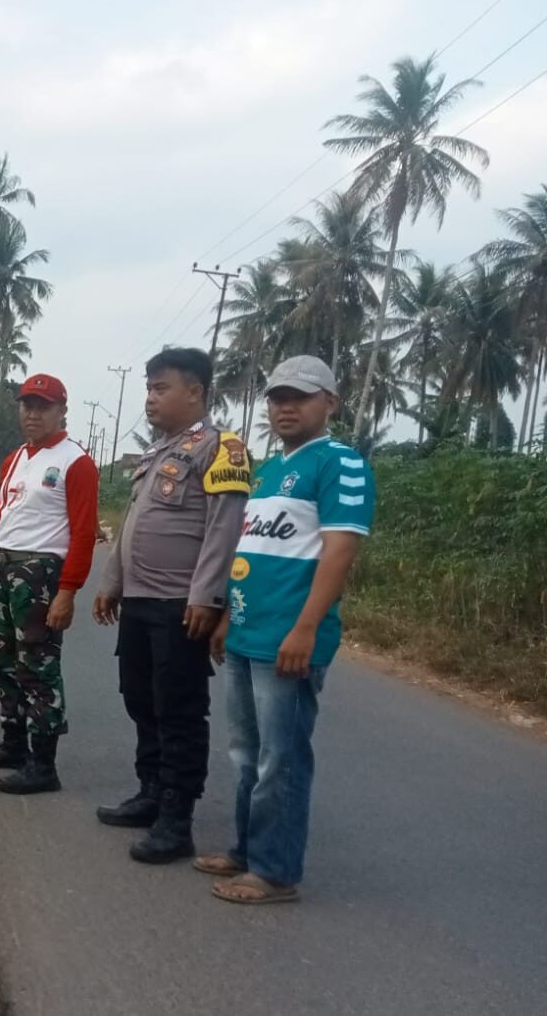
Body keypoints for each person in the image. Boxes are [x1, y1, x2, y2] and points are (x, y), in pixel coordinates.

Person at [199, 355, 374, 904]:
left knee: (283, 757)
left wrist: (305, 628)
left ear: (331, 402)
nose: (285, 406)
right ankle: (248, 850)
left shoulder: (339, 463)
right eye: (276, 397)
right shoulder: (270, 469)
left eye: (300, 396)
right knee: (245, 753)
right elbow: (250, 550)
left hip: (291, 641)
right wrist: (227, 615)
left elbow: (340, 549)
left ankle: (275, 872)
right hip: (248, 634)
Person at [93, 347, 252, 864]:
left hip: (180, 603)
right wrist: (111, 581)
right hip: (140, 601)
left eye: (161, 388)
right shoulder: (155, 452)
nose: (151, 398)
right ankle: (149, 790)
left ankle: (176, 816)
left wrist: (208, 596)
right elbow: (133, 524)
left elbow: (224, 530)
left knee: (179, 709)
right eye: (149, 388)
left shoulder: (221, 448)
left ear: (196, 393)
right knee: (140, 698)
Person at [0, 374, 99, 794]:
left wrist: (68, 591)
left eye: (43, 406)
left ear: (62, 411)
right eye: (27, 405)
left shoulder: (75, 461)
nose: (33, 413)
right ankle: (12, 743)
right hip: (6, 569)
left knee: (38, 669)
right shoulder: (14, 460)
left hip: (41, 575)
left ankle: (44, 763)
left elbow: (83, 532)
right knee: (3, 662)